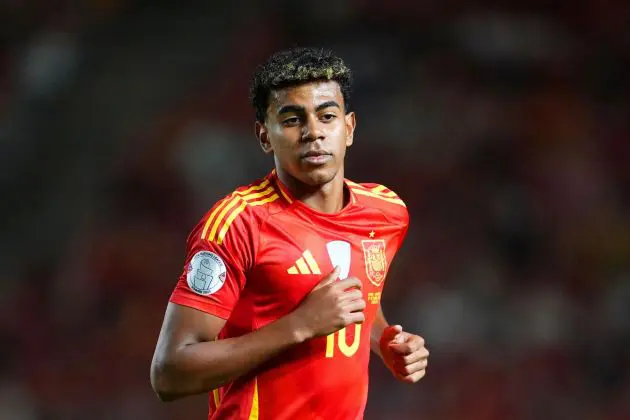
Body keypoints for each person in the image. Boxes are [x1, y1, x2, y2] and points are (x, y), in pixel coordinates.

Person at [150, 47, 429, 420]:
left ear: (348, 129)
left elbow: (358, 296)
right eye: (293, 119)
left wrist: (384, 340)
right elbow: (169, 373)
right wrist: (298, 326)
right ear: (265, 136)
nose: (313, 132)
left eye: (326, 116)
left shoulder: (386, 212)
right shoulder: (238, 225)